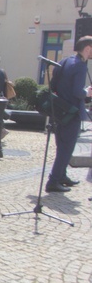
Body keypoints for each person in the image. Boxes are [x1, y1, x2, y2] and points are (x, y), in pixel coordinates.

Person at [45, 35, 92, 192]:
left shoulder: (65, 61)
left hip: (59, 111)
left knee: (62, 146)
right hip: (71, 113)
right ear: (87, 49)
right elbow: (78, 92)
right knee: (66, 149)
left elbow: (53, 85)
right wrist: (87, 92)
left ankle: (62, 175)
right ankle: (53, 181)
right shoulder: (80, 65)